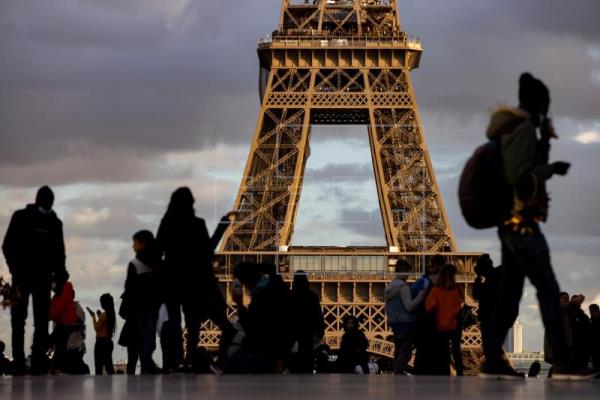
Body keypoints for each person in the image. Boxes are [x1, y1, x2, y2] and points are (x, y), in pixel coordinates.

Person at [480, 72, 597, 380]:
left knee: (509, 298)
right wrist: (551, 169)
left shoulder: (507, 130)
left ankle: (492, 357)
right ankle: (563, 361)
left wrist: (544, 143)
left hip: (509, 224)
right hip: (524, 225)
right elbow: (520, 175)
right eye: (545, 103)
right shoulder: (524, 130)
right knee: (548, 291)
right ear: (536, 103)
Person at [156, 187, 237, 372]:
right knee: (193, 322)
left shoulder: (166, 223)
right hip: (193, 281)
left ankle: (176, 358)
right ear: (192, 203)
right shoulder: (197, 223)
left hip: (172, 280)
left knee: (175, 321)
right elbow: (208, 250)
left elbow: (158, 250)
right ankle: (190, 357)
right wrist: (223, 223)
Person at [2, 186, 67, 375]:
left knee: (31, 321)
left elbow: (59, 254)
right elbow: (7, 245)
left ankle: (32, 360)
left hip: (37, 279)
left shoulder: (54, 223)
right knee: (24, 320)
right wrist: (15, 267)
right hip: (25, 278)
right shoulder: (23, 217)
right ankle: (26, 361)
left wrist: (59, 276)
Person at [225, 262, 292, 373]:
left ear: (245, 282)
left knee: (231, 365)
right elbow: (273, 268)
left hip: (264, 351)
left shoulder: (260, 299)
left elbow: (252, 330)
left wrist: (239, 304)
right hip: (277, 349)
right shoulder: (277, 287)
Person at [122, 230, 161, 374]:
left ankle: (147, 364)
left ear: (142, 244)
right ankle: (147, 362)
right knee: (149, 336)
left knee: (146, 334)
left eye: (135, 243)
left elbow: (129, 288)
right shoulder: (158, 262)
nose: (133, 246)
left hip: (140, 307)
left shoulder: (135, 263)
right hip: (153, 305)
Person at [384, 259, 427, 375]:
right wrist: (420, 296)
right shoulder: (403, 287)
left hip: (395, 324)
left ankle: (397, 372)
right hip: (406, 324)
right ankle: (398, 373)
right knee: (405, 352)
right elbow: (409, 306)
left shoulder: (390, 286)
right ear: (403, 271)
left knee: (399, 350)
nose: (408, 275)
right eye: (408, 272)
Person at [425, 264, 464, 376]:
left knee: (444, 351)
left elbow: (428, 307)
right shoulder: (458, 289)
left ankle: (444, 372)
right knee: (456, 350)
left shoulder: (435, 290)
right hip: (456, 324)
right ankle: (460, 373)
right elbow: (461, 305)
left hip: (441, 325)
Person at [412, 254, 444, 375]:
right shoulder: (443, 283)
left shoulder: (424, 282)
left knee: (423, 352)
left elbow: (412, 298)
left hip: (426, 323)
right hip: (434, 323)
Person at [289, 271, 325, 374]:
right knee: (307, 364)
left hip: (293, 334)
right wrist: (320, 332)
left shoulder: (290, 295)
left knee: (293, 364)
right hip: (307, 334)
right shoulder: (312, 296)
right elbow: (318, 316)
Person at [48, 271, 78, 373]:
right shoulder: (65, 292)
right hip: (66, 325)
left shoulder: (62, 293)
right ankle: (56, 368)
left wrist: (47, 317)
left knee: (56, 345)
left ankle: (55, 368)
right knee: (60, 347)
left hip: (64, 324)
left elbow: (57, 311)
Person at [87, 293, 116, 375]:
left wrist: (93, 316)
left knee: (98, 367)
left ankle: (98, 386)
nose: (101, 304)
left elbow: (97, 329)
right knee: (109, 366)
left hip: (100, 343)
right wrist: (99, 316)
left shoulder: (103, 315)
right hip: (108, 342)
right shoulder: (111, 315)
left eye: (102, 302)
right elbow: (105, 326)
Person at [589, 304, 600, 368]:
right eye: (591, 311)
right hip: (594, 350)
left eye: (594, 311)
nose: (592, 313)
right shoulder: (590, 321)